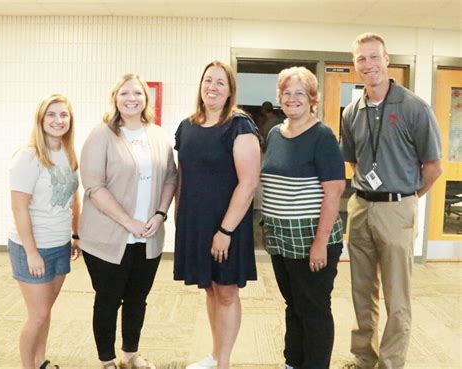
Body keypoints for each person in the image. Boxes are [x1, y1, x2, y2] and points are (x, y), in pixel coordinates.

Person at [340, 33, 442, 369]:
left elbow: (433, 167)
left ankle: (391, 362)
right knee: (361, 290)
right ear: (355, 66)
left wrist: (407, 198)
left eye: (374, 57)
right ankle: (363, 357)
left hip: (397, 207)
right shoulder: (352, 111)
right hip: (361, 207)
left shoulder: (414, 107)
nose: (368, 65)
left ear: (386, 59)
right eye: (361, 59)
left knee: (396, 295)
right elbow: (354, 162)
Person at [79, 74, 177, 369]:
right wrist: (129, 222)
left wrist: (160, 214)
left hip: (148, 238)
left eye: (137, 93)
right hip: (108, 237)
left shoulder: (157, 134)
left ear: (146, 99)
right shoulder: (102, 134)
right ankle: (107, 359)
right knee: (108, 300)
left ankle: (130, 354)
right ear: (115, 98)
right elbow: (94, 186)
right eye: (125, 93)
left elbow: (171, 177)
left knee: (138, 299)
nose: (131, 98)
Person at [174, 60, 261, 369]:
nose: (212, 86)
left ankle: (223, 362)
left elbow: (249, 182)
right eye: (208, 80)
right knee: (210, 289)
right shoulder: (187, 126)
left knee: (225, 292)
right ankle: (214, 355)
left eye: (220, 83)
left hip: (227, 225)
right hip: (196, 224)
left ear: (230, 91)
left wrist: (224, 231)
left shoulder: (239, 125)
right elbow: (182, 175)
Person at [261, 67, 345, 369]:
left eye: (300, 93)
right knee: (293, 305)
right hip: (281, 238)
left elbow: (334, 191)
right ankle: (292, 363)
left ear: (312, 99)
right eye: (287, 92)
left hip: (312, 237)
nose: (292, 98)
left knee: (314, 309)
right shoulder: (274, 133)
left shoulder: (321, 136)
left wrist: (320, 242)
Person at [8, 94, 81, 369]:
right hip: (32, 247)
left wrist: (75, 235)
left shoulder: (68, 152)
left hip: (60, 244)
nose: (58, 120)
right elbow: (19, 208)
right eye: (51, 114)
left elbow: (75, 198)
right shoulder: (28, 157)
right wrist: (31, 252)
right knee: (37, 315)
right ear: (40, 119)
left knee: (46, 312)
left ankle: (41, 361)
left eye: (63, 115)